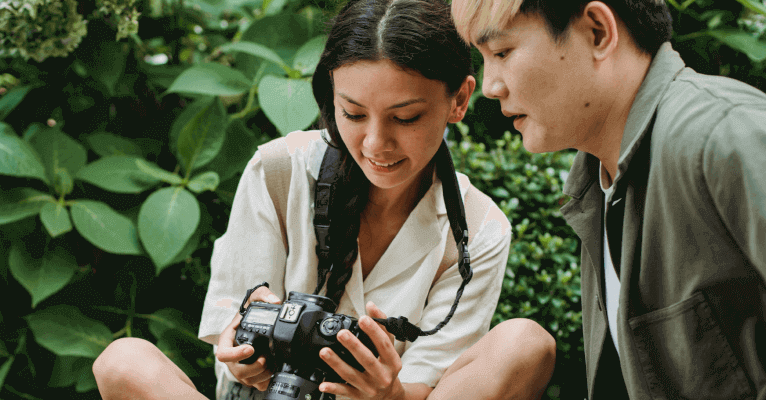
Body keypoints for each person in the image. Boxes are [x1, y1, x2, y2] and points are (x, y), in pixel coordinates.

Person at [92, 0, 557, 398]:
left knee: (526, 343)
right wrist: (242, 360)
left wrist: (388, 392)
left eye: (406, 117)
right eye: (352, 113)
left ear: (459, 100)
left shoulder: (480, 230)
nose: (376, 143)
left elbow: (428, 386)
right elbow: (229, 343)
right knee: (123, 360)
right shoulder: (279, 169)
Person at [450, 0, 766, 398]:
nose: (491, 84)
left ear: (598, 32)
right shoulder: (597, 185)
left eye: (502, 53)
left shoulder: (722, 135)